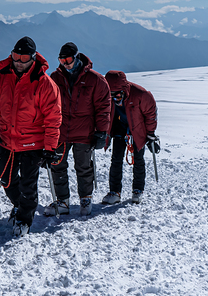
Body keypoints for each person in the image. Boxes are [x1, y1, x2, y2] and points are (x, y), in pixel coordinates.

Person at [0, 37, 62, 236]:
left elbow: (53, 119)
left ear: (33, 58)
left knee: (28, 184)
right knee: (5, 178)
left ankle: (24, 219)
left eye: (23, 57)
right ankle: (21, 205)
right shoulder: (1, 75)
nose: (18, 61)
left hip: (33, 143)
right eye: (15, 55)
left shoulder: (44, 83)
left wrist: (50, 147)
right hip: (8, 141)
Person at [45, 42, 111, 217]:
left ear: (76, 57)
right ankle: (63, 201)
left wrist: (101, 131)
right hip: (61, 131)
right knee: (57, 166)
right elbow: (47, 105)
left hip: (85, 131)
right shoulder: (55, 78)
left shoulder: (95, 79)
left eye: (68, 59)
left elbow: (103, 107)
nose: (65, 63)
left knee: (83, 167)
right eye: (61, 60)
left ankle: (85, 198)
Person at [103, 71, 158, 205]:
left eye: (117, 95)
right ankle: (114, 192)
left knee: (138, 160)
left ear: (124, 90)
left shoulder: (141, 94)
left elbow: (151, 113)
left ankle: (138, 190)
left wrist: (150, 134)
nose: (114, 98)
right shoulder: (107, 96)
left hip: (138, 130)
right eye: (111, 95)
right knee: (116, 159)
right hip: (118, 129)